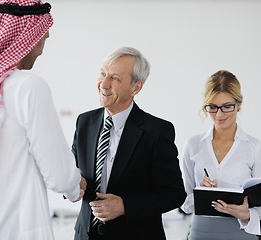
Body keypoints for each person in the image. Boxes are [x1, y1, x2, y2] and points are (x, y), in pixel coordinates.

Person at [0, 1, 86, 239]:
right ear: (28, 37)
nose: (42, 49)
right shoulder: (27, 87)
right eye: (43, 39)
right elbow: (59, 174)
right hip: (15, 229)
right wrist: (75, 186)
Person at [72, 47, 186, 240]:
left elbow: (174, 194)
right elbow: (74, 171)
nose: (104, 84)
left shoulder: (157, 131)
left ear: (136, 87)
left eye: (115, 78)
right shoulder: (84, 122)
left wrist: (126, 206)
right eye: (103, 74)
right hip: (86, 234)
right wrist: (73, 185)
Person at [180, 70, 261, 240]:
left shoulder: (255, 148)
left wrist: (245, 213)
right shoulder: (193, 145)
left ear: (239, 104)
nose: (219, 114)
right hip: (201, 234)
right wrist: (201, 195)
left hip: (241, 234)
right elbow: (184, 203)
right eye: (212, 107)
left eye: (227, 106)